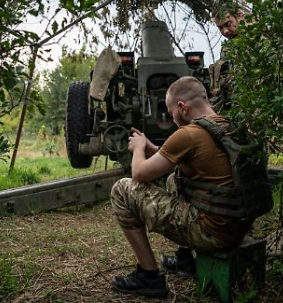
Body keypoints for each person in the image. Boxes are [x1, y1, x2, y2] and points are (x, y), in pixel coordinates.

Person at [109, 76, 254, 298]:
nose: (172, 118)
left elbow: (139, 174)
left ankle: (148, 277)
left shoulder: (188, 134)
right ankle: (185, 260)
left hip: (212, 235)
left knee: (122, 189)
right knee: (174, 179)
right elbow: (179, 156)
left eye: (171, 112)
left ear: (182, 107)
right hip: (238, 226)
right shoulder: (228, 125)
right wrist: (151, 147)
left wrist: (138, 148)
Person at [209, 0, 248, 112]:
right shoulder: (228, 47)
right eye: (220, 27)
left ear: (239, 15)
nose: (225, 31)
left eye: (228, 24)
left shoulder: (257, 38)